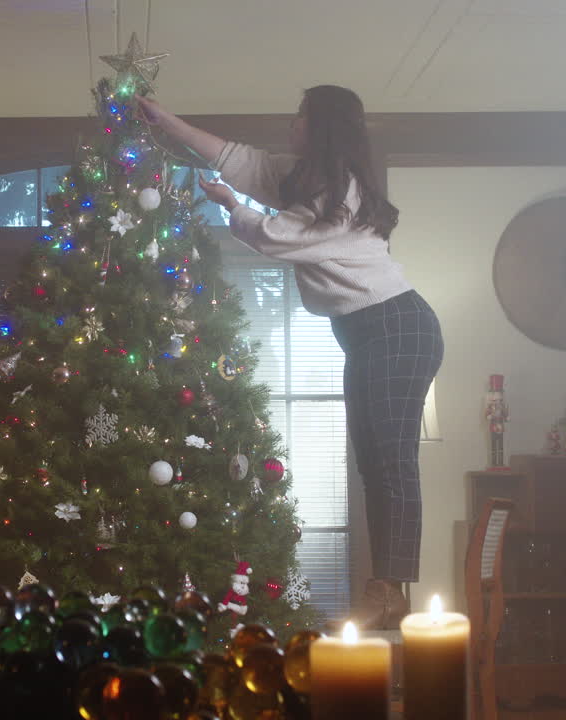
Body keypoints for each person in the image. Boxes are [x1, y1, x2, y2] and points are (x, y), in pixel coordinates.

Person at [140, 86, 443, 629]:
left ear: (323, 125)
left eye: (302, 114)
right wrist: (167, 122)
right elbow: (240, 160)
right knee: (374, 463)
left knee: (392, 462)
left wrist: (234, 207)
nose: (292, 122)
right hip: (368, 332)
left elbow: (281, 236)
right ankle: (388, 593)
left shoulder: (340, 190)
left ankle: (388, 591)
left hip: (396, 326)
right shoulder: (305, 177)